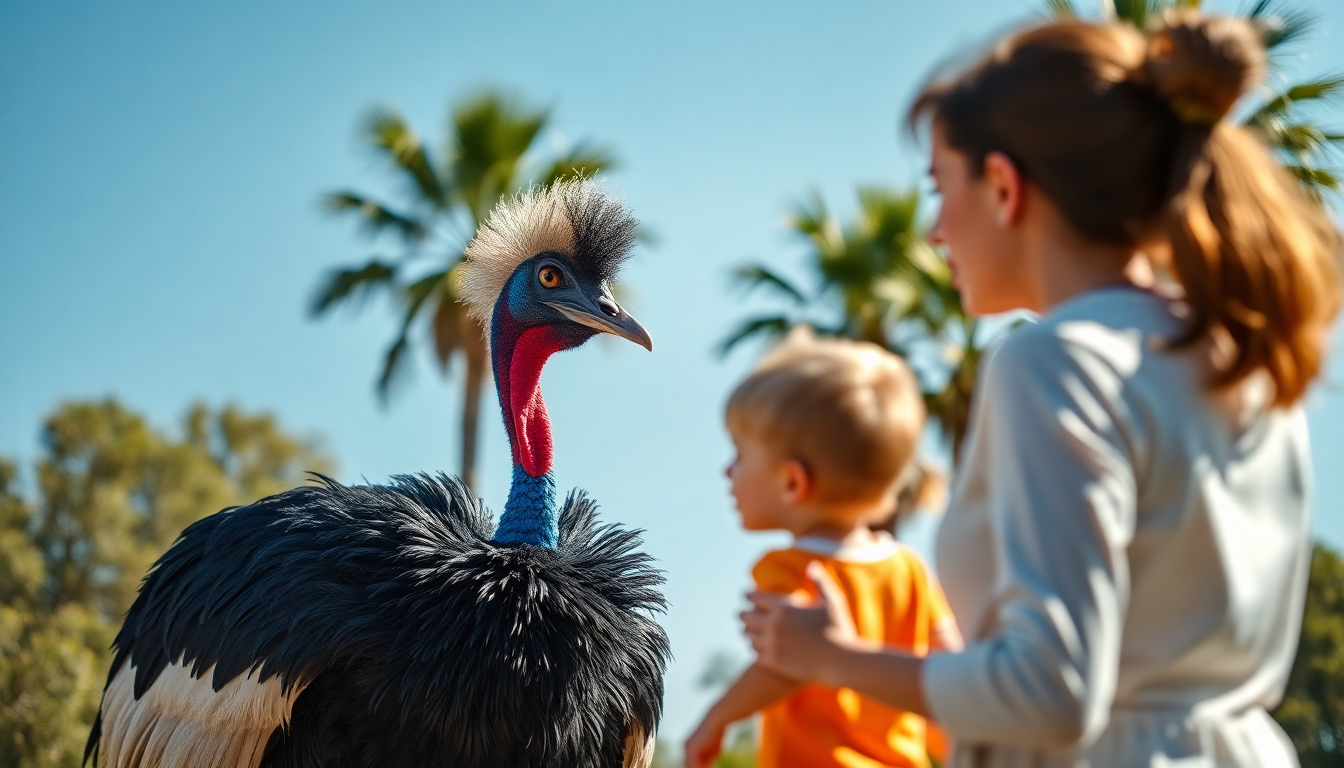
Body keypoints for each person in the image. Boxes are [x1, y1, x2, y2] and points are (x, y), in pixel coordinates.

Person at [741, 11, 1342, 768]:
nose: (934, 231)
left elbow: (1052, 690)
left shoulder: (1051, 363)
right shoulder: (1241, 357)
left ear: (1002, 186)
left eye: (940, 186)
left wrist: (834, 658)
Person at [685, 328, 962, 768]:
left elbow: (783, 662)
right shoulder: (909, 568)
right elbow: (950, 668)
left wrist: (715, 720)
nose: (726, 471)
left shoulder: (790, 569)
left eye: (740, 455)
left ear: (792, 482)